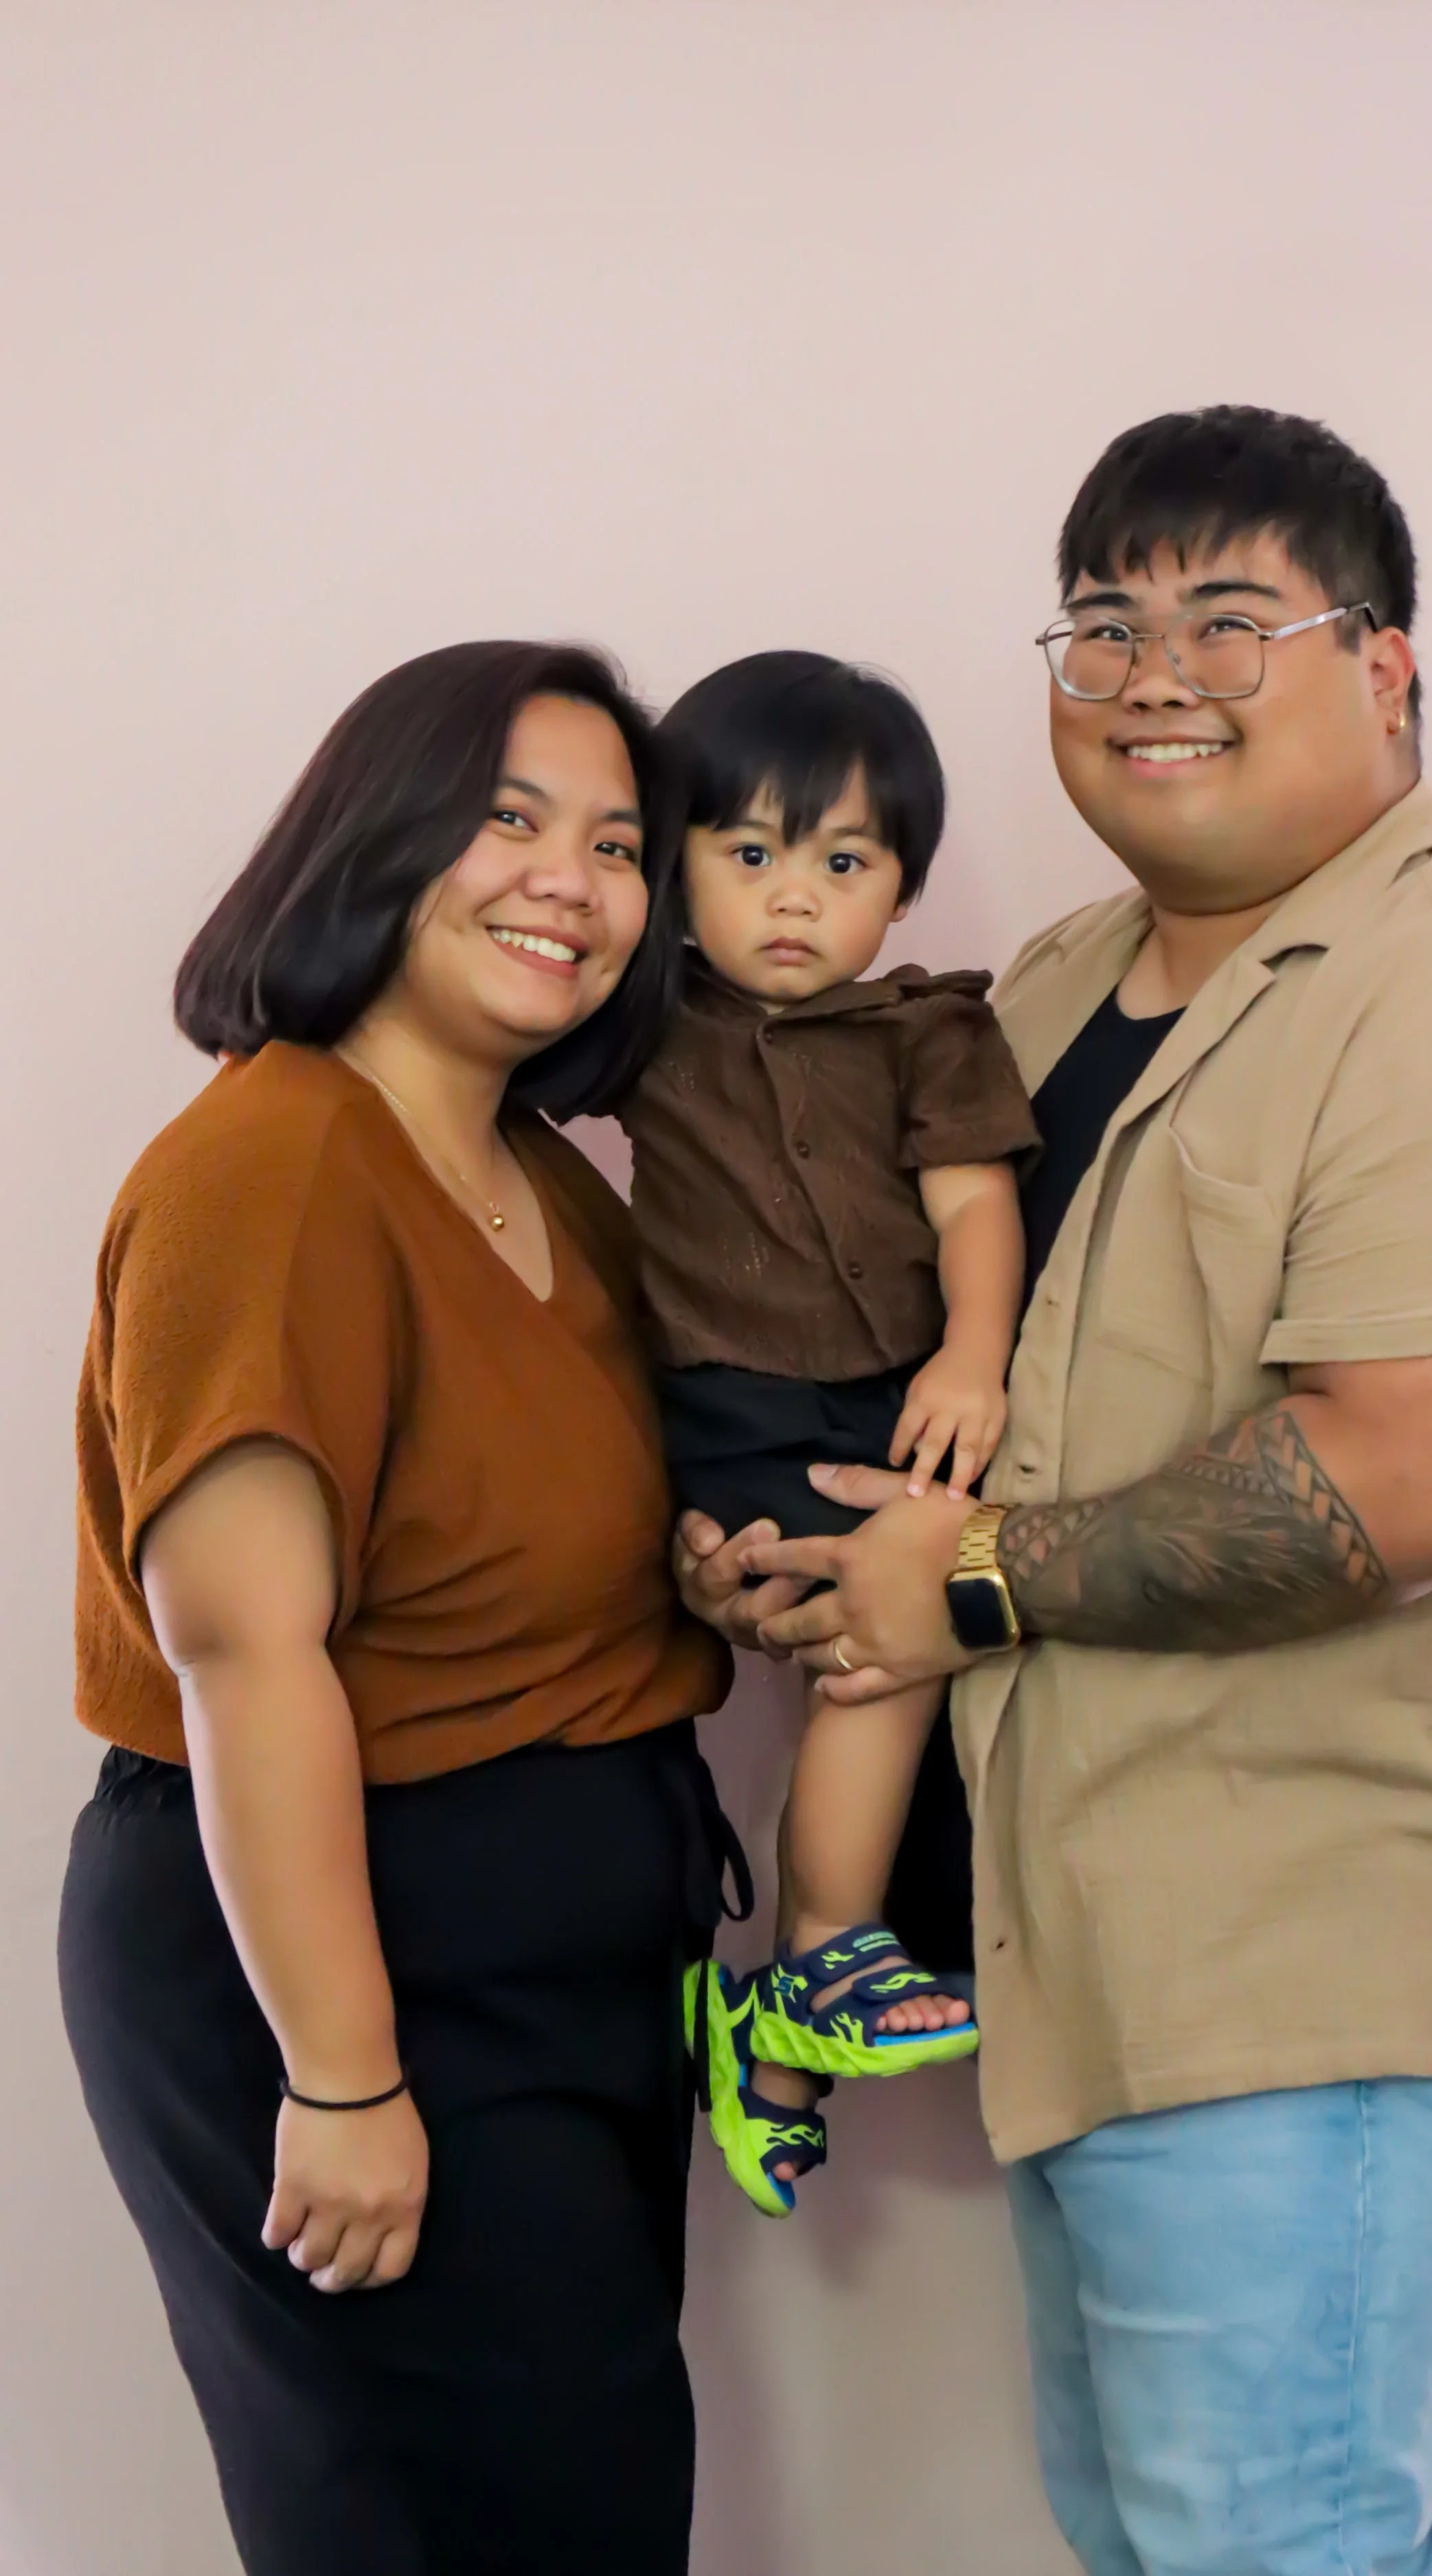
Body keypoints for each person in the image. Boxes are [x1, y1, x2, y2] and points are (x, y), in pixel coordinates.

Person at [685, 408, 1432, 2574]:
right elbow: (936, 1382)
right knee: (1166, 2543)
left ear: (1384, 669)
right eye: (1101, 623)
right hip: (1102, 1958)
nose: (1150, 671)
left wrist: (951, 1579)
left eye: (1228, 616)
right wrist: (810, 1547)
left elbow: (1403, 1481)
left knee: (1275, 2549)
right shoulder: (1042, 988)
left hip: (1318, 1959)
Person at [59, 640, 742, 2576]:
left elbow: (517, 1540)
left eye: (619, 842)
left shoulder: (542, 1175)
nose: (575, 880)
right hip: (346, 1958)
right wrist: (343, 2070)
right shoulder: (276, 1165)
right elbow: (243, 1646)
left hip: (558, 1973)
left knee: (587, 2507)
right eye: (508, 817)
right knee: (455, 2530)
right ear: (377, 835)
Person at [617, 651, 1038, 2215]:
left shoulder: (929, 1029)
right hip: (727, 1402)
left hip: (902, 1402)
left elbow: (973, 1201)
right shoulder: (644, 1016)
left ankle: (791, 2006)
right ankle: (813, 1966)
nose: (792, 899)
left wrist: (975, 1358)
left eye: (841, 862)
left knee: (906, 1648)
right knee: (869, 1650)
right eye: (746, 855)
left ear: (898, 891)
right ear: (673, 874)